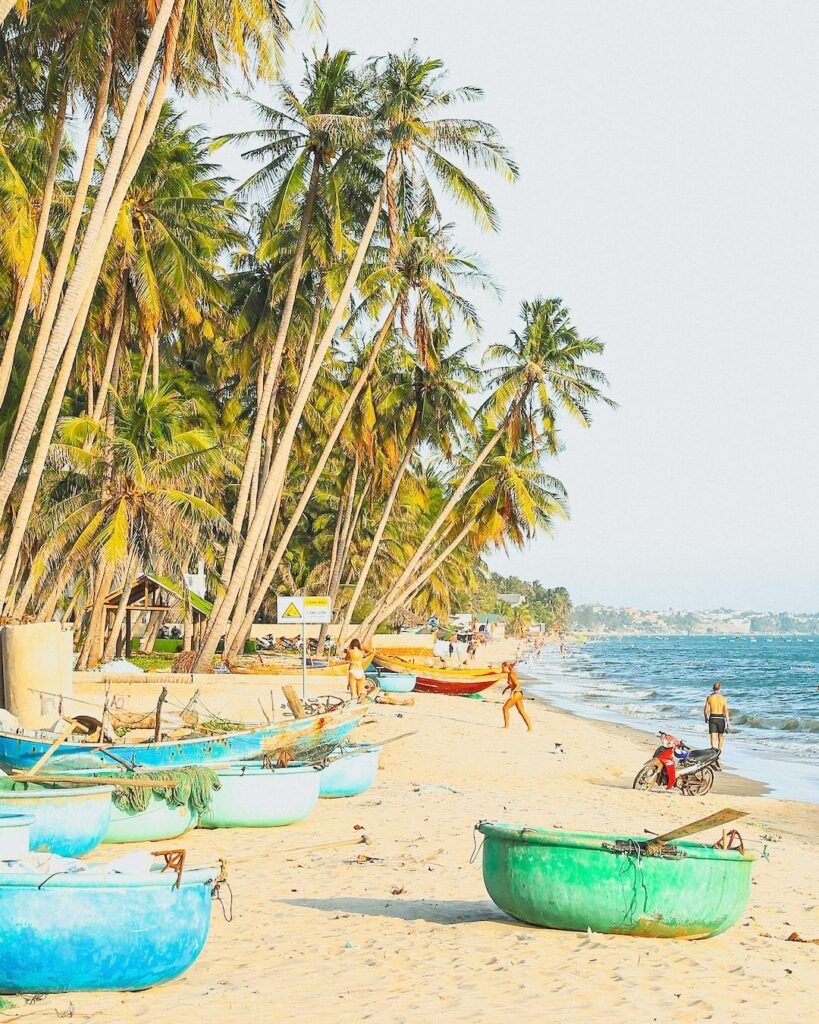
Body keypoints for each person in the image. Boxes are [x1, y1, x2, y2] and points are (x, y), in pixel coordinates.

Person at [501, 660, 532, 731]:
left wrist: (511, 694)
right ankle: (530, 728)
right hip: (519, 693)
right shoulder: (509, 674)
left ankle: (506, 726)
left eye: (503, 667)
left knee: (505, 708)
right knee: (521, 711)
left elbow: (517, 684)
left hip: (517, 693)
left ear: (507, 667)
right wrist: (506, 689)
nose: (502, 669)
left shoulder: (512, 674)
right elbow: (512, 684)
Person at [704, 681, 729, 750]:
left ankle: (713, 750)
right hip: (720, 717)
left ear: (713, 688)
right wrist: (728, 723)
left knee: (713, 735)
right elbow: (726, 711)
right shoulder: (723, 698)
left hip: (713, 717)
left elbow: (706, 709)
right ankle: (719, 750)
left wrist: (705, 718)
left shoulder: (709, 697)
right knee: (720, 735)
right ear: (720, 688)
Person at [346, 638, 367, 703]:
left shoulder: (350, 651)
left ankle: (353, 704)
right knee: (360, 692)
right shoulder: (362, 652)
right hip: (361, 671)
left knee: (353, 693)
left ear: (351, 644)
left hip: (353, 671)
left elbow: (346, 659)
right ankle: (360, 704)